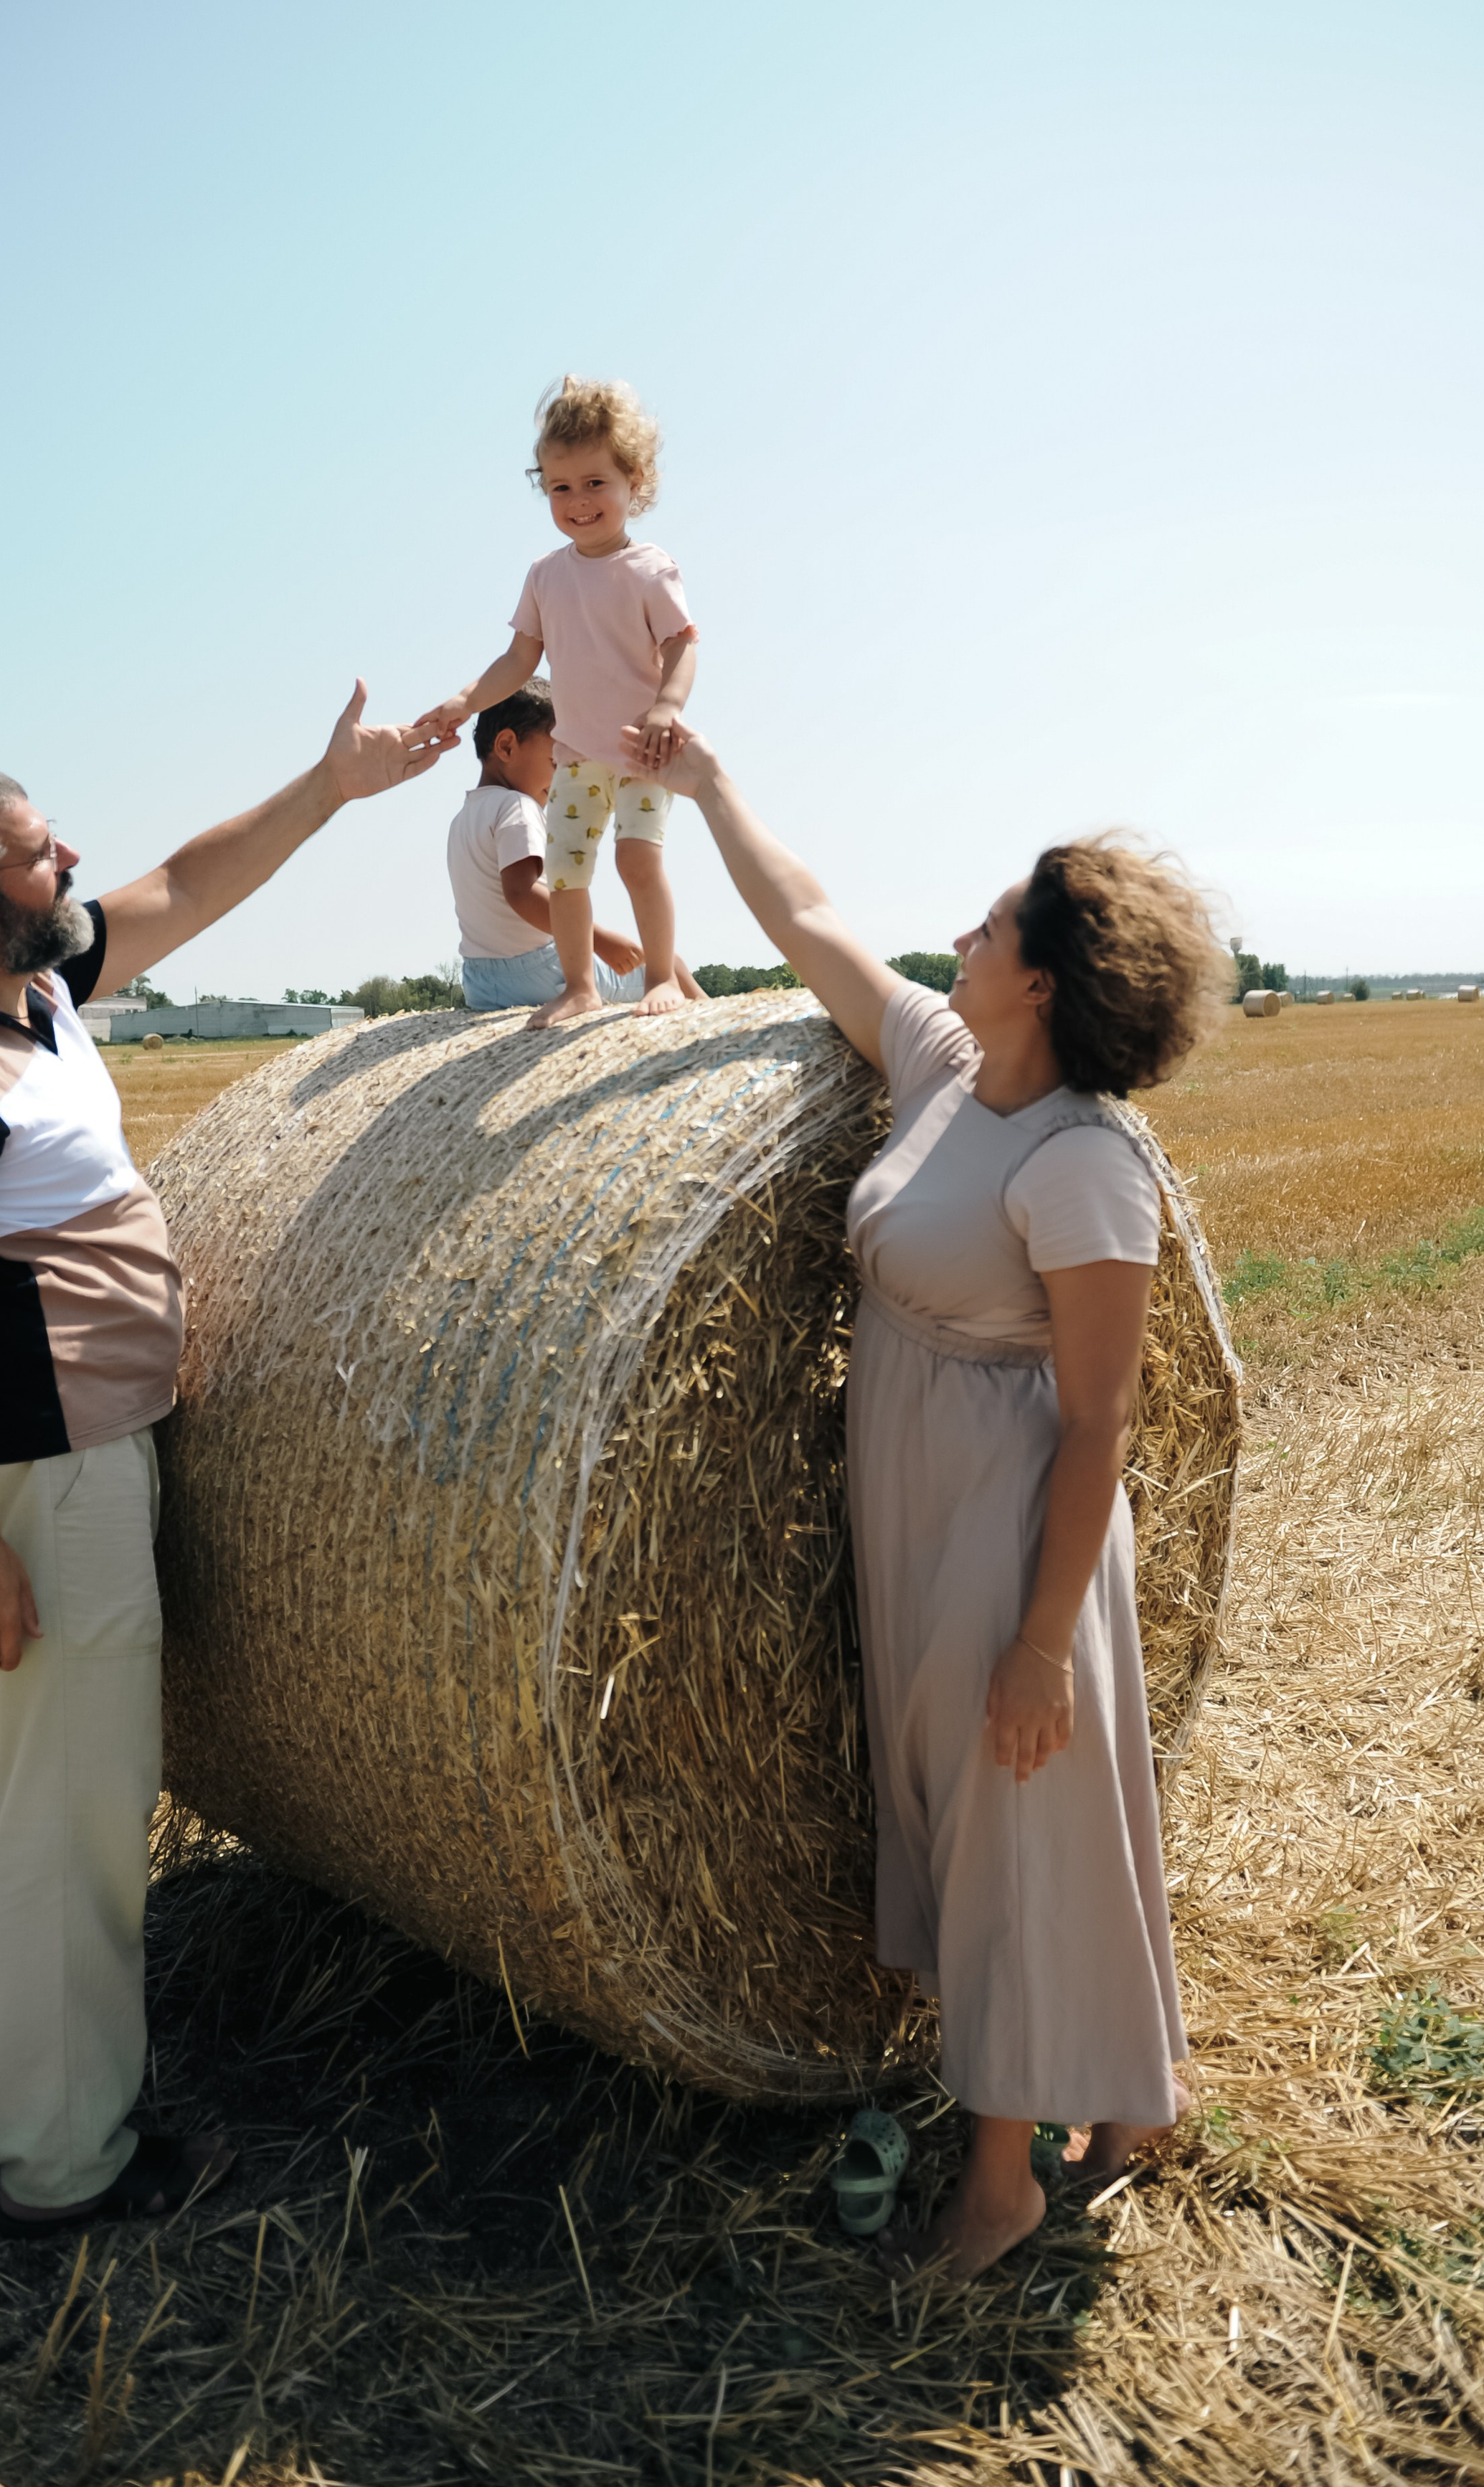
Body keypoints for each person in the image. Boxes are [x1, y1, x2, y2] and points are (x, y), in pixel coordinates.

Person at [0, 684, 450, 2234]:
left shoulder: (29, 988)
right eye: (44, 857)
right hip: (45, 1477)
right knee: (75, 1816)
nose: (75, 867)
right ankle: (62, 2161)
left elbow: (183, 881)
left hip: (69, 1458)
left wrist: (333, 784)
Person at [625, 717, 1229, 2284]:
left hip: (1004, 1515)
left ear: (1041, 977)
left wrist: (1040, 1641)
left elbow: (1097, 1418)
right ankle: (1130, 2096)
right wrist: (704, 788)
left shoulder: (1081, 1158)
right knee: (1022, 1819)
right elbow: (808, 917)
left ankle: (1000, 2181)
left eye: (985, 925)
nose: (954, 937)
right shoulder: (944, 1065)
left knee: (1004, 1840)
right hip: (906, 1486)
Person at [415, 376, 696, 1028]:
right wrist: (463, 700)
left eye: (596, 483)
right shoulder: (546, 575)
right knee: (568, 871)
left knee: (637, 859)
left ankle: (661, 978)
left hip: (640, 751)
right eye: (560, 486)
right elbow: (519, 660)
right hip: (576, 759)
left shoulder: (651, 569)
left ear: (634, 478)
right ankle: (579, 987)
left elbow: (683, 646)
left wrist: (667, 708)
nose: (579, 501)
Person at [450, 684, 704, 1014]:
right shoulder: (517, 808)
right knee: (671, 964)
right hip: (536, 973)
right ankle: (719, 1024)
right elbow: (522, 893)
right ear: (507, 746)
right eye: (557, 762)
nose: (561, 781)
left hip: (479, 982)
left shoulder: (464, 816)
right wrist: (599, 940)